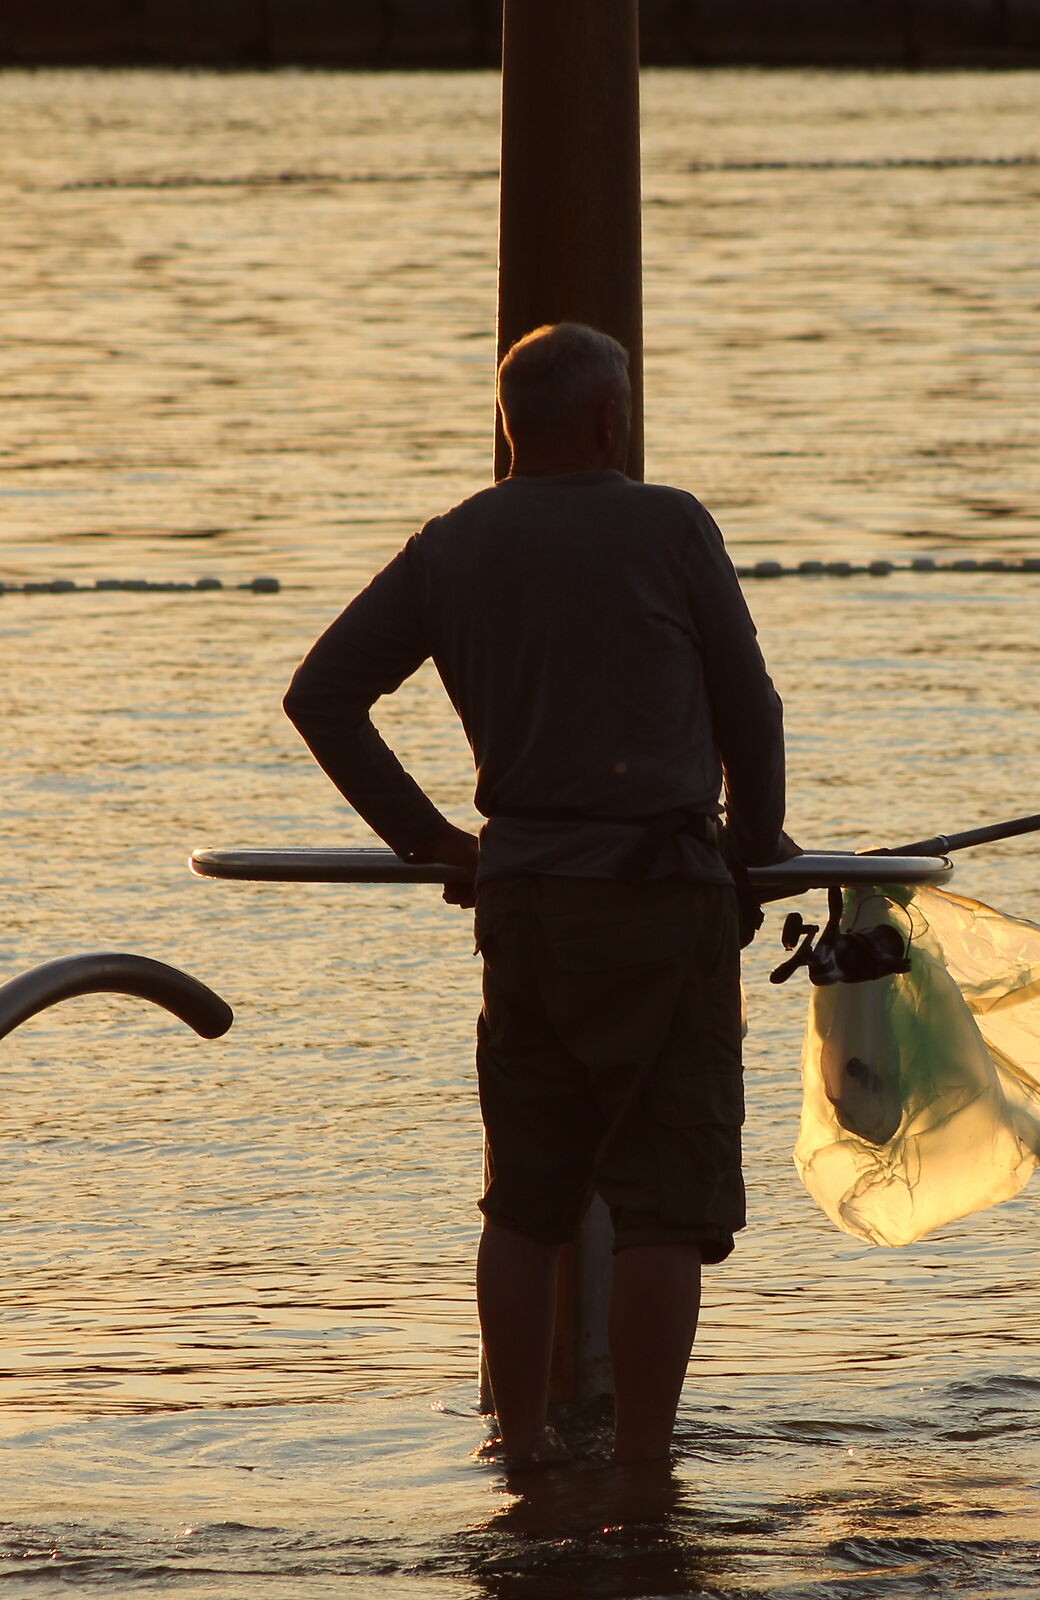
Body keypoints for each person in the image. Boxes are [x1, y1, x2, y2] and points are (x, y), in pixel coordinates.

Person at [283, 322, 792, 1468]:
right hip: (663, 902)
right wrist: (751, 854)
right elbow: (750, 711)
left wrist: (432, 842)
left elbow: (322, 696)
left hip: (522, 906)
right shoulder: (669, 523)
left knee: (526, 1195)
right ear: (614, 419)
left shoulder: (454, 541)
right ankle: (642, 1462)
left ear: (511, 429)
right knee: (667, 1197)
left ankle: (517, 1451)